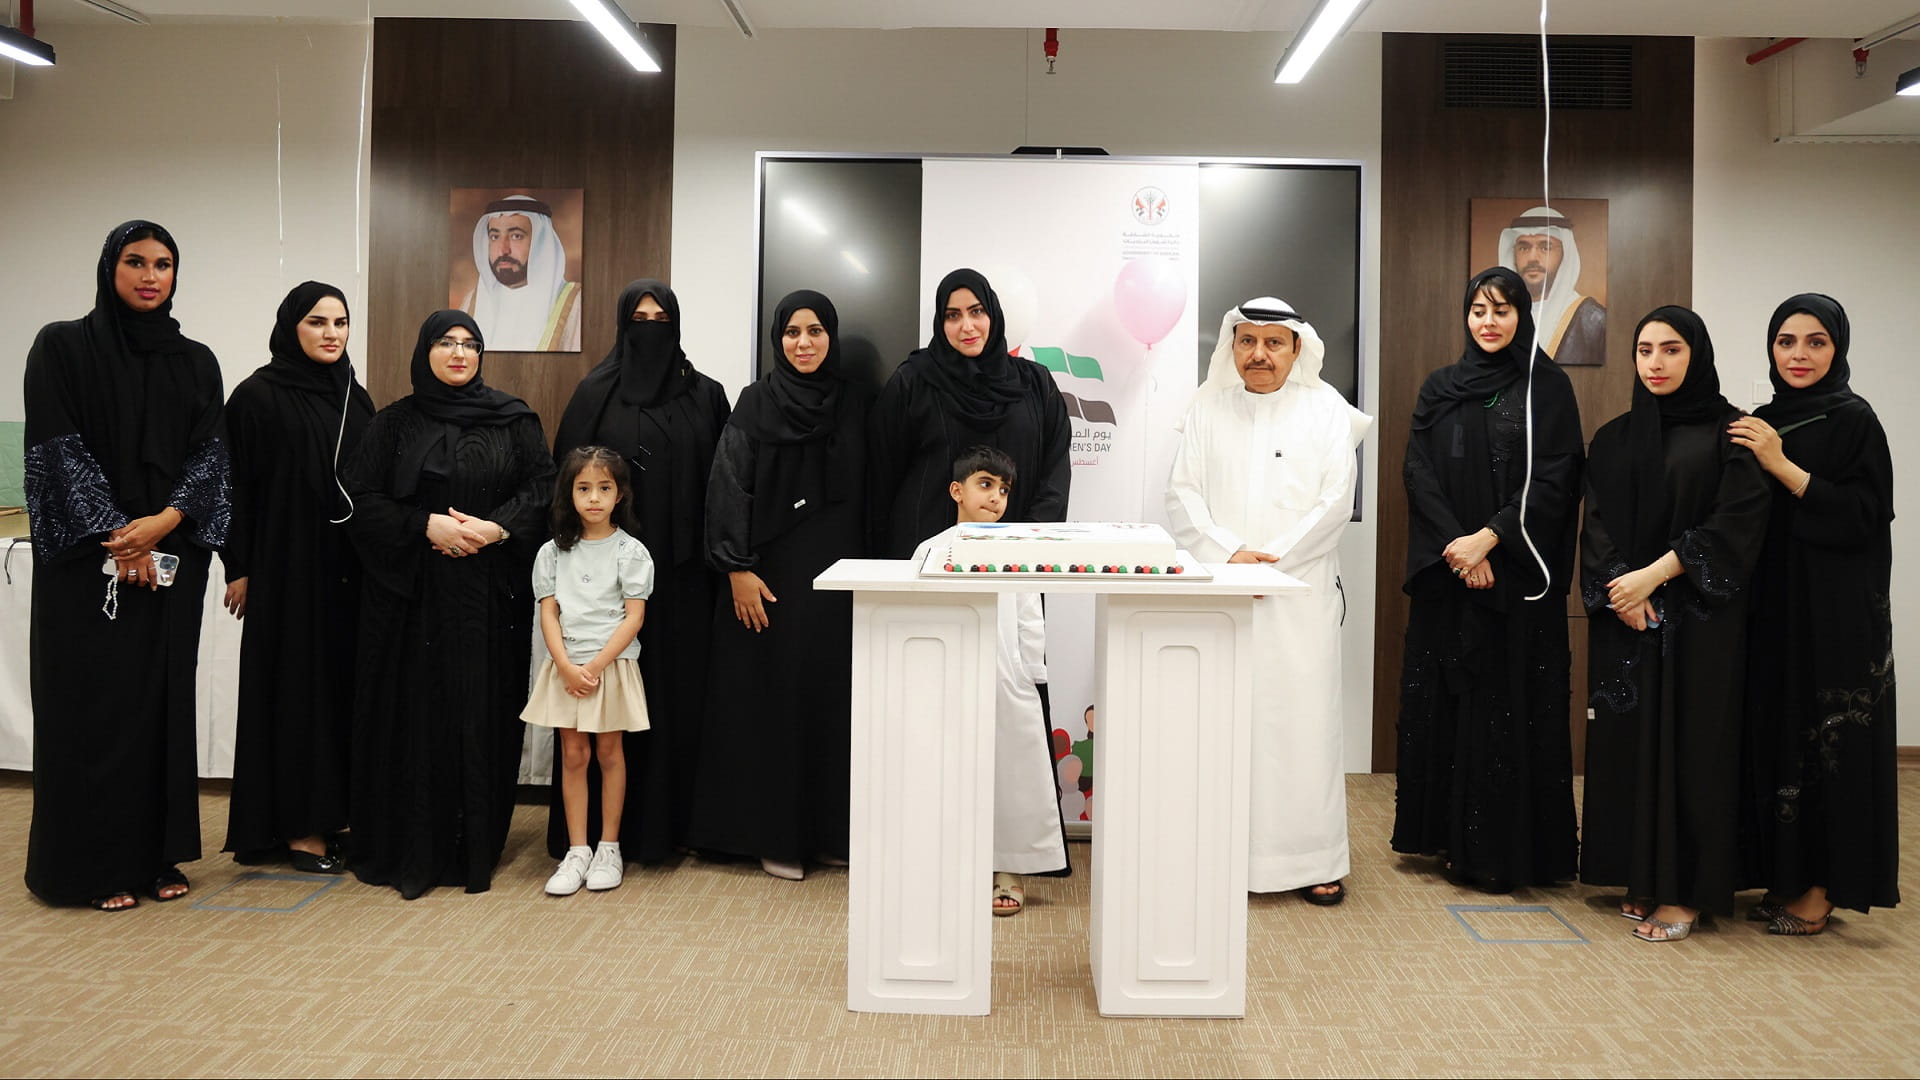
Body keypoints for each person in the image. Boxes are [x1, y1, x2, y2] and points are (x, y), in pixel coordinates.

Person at [22, 219, 231, 911]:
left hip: (171, 560)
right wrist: (119, 537)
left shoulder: (196, 360)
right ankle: (89, 867)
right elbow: (57, 452)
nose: (150, 276)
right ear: (110, 267)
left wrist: (165, 525)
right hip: (89, 567)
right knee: (94, 707)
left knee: (159, 706)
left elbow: (209, 458)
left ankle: (155, 856)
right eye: (136, 262)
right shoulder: (61, 347)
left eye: (164, 264)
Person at [1167, 298, 1373, 904]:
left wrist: (1276, 558)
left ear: (1296, 349)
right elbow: (1182, 496)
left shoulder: (1327, 410)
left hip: (1300, 596)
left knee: (1301, 725)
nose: (1258, 354)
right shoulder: (1207, 408)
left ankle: (1312, 859)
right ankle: (1218, 855)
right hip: (1223, 588)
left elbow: (1336, 502)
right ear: (1231, 347)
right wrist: (1229, 553)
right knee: (1221, 721)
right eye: (1246, 341)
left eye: (1273, 343)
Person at [341, 311, 553, 899]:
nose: (459, 353)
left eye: (470, 344)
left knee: (480, 710)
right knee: (413, 715)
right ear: (425, 350)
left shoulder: (514, 419)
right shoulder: (392, 423)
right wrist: (424, 524)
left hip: (487, 596)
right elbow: (358, 501)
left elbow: (542, 489)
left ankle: (474, 847)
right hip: (410, 598)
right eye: (446, 342)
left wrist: (496, 530)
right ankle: (411, 843)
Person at [1580, 306, 1771, 941]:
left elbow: (1734, 525)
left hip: (1698, 623)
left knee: (1694, 751)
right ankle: (1639, 875)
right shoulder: (1613, 436)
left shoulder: (1733, 434)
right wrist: (1622, 591)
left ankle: (1686, 892)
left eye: (1670, 350)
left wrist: (1654, 577)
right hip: (1629, 621)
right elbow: (1597, 523)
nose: (1655, 363)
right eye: (1644, 351)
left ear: (1697, 355)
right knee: (1631, 746)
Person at [1392, 267, 1585, 893]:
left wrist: (1491, 538)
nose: (1489, 321)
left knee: (1504, 706)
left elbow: (1555, 478)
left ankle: (1502, 848)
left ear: (1522, 316)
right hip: (1453, 576)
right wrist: (1458, 548)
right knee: (1448, 700)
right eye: (1478, 309)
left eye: (1502, 310)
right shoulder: (1441, 386)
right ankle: (1447, 835)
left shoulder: (1544, 387)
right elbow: (1417, 470)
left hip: (1515, 579)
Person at [1729, 294, 1899, 934]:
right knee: (1777, 729)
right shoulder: (1767, 418)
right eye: (1786, 342)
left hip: (1837, 615)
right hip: (1776, 605)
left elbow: (1866, 514)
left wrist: (1780, 465)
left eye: (1816, 342)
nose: (1799, 355)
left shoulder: (1855, 420)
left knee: (1834, 744)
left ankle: (1827, 886)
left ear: (1839, 348)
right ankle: (1786, 873)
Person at [687, 290, 871, 880]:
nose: (804, 342)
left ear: (831, 336)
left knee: (831, 706)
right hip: (769, 582)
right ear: (777, 340)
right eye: (792, 332)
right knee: (775, 707)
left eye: (815, 330)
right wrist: (736, 568)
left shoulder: (856, 404)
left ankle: (825, 834)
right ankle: (775, 837)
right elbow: (728, 487)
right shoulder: (754, 403)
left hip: (840, 583)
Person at [551, 280, 730, 863]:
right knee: (597, 708)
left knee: (673, 698)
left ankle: (672, 828)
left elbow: (723, 485)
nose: (649, 328)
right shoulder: (594, 394)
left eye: (661, 318)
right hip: (601, 586)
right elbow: (564, 485)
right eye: (638, 317)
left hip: (681, 582)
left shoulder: (706, 395)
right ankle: (594, 840)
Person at [220, 281, 374, 874]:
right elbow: (234, 489)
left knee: (340, 691)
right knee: (293, 692)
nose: (332, 333)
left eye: (340, 322)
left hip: (349, 573)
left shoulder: (354, 398)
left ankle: (339, 813)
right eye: (317, 322)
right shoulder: (256, 397)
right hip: (286, 572)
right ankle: (297, 829)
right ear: (292, 327)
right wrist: (240, 567)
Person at [911, 446, 1069, 915]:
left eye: (1003, 490)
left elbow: (1029, 615)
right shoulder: (930, 551)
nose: (996, 498)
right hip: (947, 681)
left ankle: (1009, 868)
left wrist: (1029, 675)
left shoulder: (1017, 550)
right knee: (946, 772)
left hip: (1007, 680)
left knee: (1011, 776)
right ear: (957, 491)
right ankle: (947, 869)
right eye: (985, 485)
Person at [523, 446, 654, 896]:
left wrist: (595, 667)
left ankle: (608, 846)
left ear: (619, 495)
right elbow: (548, 615)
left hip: (610, 668)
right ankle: (576, 850)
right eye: (583, 488)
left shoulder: (631, 551)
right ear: (569, 494)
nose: (594, 498)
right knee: (573, 756)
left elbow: (633, 617)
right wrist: (565, 666)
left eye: (604, 488)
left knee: (609, 755)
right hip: (565, 669)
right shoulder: (552, 553)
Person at [869, 269, 1071, 558]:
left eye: (976, 311)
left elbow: (1055, 476)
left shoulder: (1036, 385)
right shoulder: (913, 381)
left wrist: (1029, 544)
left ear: (993, 314)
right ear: (940, 322)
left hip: (1015, 558)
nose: (967, 326)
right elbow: (882, 477)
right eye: (953, 315)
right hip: (926, 559)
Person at [457, 194, 582, 352]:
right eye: (494, 237)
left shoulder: (574, 303)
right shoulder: (471, 303)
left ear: (541, 242)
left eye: (516, 236)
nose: (503, 249)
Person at [1498, 205, 1606, 367]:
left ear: (1565, 255)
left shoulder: (1595, 320)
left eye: (1545, 247)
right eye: (1524, 247)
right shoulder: (1497, 316)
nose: (1532, 258)